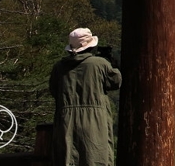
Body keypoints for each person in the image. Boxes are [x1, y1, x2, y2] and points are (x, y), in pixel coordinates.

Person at [49, 28, 122, 166]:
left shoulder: (59, 67)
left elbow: (54, 90)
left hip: (65, 120)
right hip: (95, 120)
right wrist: (112, 63)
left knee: (66, 157)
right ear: (91, 47)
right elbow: (115, 82)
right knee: (95, 157)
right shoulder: (100, 64)